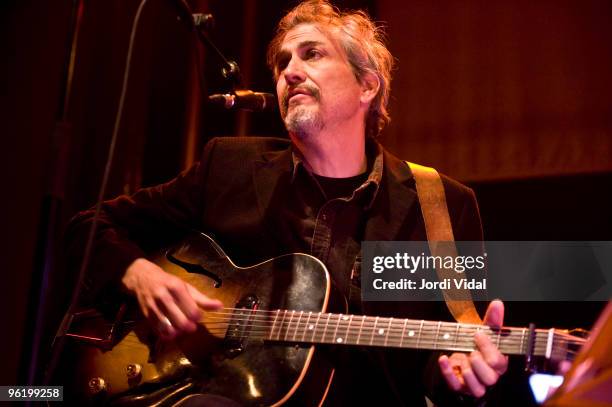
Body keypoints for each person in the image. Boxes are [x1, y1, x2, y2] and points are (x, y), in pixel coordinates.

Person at [65, 1, 508, 405]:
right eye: (282, 63)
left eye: (312, 54)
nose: (289, 72)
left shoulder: (439, 205)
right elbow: (87, 226)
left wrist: (463, 377)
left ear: (367, 85)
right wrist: (136, 272)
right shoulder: (228, 166)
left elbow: (447, 355)